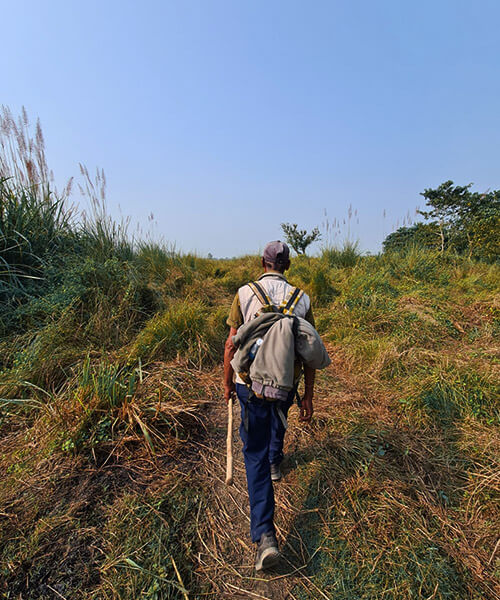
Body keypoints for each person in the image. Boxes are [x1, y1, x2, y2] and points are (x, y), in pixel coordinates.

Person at [223, 240, 317, 571]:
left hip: (249, 384)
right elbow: (308, 352)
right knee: (280, 412)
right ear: (287, 266)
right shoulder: (301, 299)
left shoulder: (245, 294)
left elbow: (231, 343)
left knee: (253, 453)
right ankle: (276, 460)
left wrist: (226, 383)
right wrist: (308, 395)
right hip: (287, 382)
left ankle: (265, 536)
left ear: (262, 263)